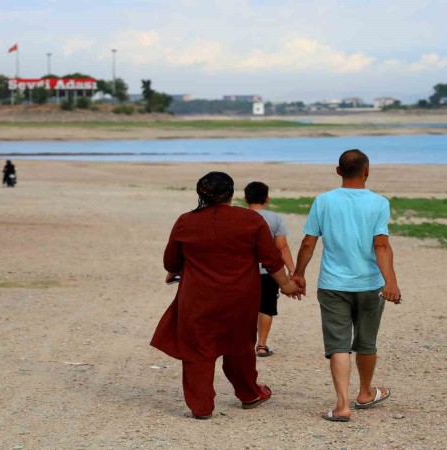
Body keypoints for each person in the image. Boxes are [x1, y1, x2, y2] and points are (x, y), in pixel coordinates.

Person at [151, 171, 300, 420]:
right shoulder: (250, 219)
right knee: (240, 346)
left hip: (197, 297)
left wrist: (179, 268)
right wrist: (286, 285)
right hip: (240, 297)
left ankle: (201, 407)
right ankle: (249, 394)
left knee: (198, 349)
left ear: (201, 193)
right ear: (231, 193)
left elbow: (171, 262)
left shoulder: (186, 221)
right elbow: (271, 259)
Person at [291, 149, 401, 422]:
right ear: (367, 171)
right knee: (366, 342)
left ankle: (342, 405)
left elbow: (308, 242)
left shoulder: (324, 201)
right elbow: (381, 244)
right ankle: (365, 392)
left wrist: (299, 274)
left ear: (338, 171)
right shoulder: (379, 203)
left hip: (333, 285)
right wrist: (391, 282)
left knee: (338, 345)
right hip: (370, 284)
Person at [243, 181, 295, 358]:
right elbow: (281, 246)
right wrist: (292, 270)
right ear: (267, 199)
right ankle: (262, 345)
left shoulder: (239, 217)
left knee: (243, 307)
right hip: (268, 271)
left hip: (243, 271)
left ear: (245, 199)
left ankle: (242, 344)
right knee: (266, 307)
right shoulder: (275, 218)